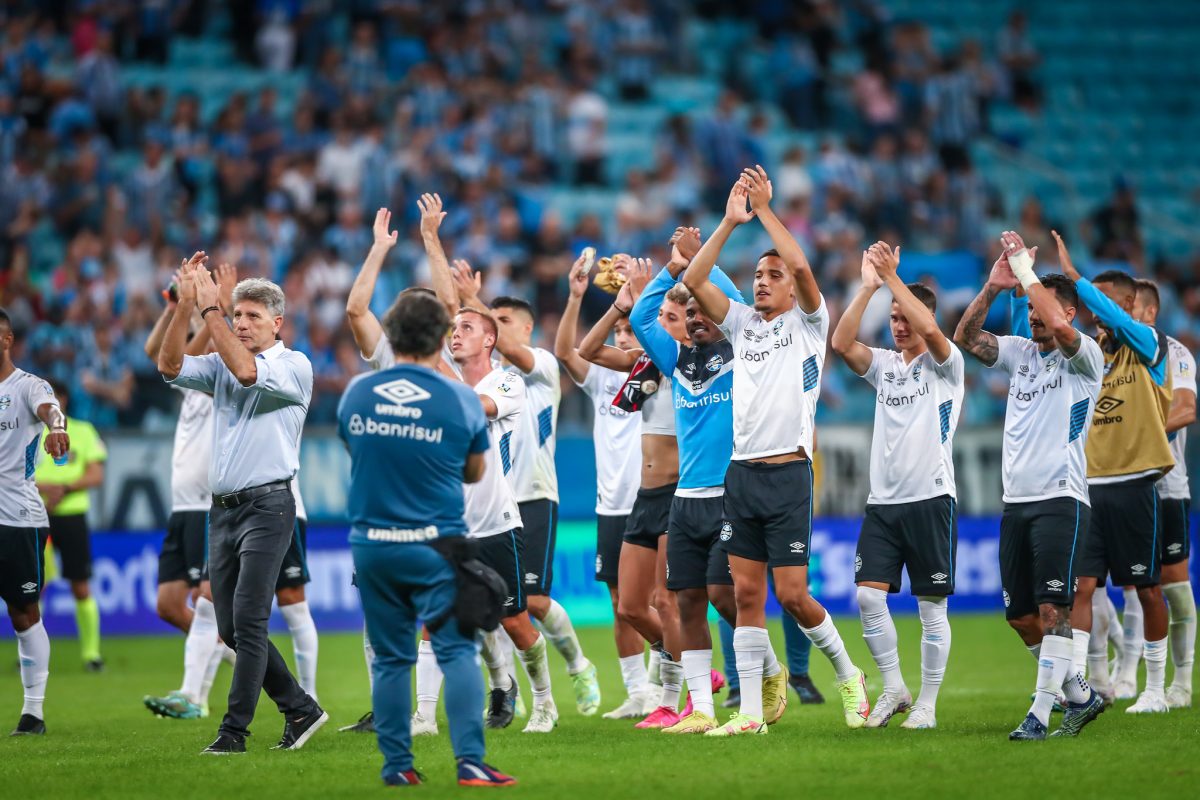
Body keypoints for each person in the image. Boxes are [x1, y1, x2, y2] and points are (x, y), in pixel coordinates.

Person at [348, 202, 557, 735]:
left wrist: (430, 243)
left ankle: (545, 700)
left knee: (512, 621)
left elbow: (467, 405)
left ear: (490, 339)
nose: (457, 333)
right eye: (451, 328)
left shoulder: (505, 384)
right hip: (441, 519)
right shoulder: (422, 372)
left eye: (467, 327)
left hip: (494, 521)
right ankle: (419, 717)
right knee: (435, 620)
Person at [683, 168, 869, 736]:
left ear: (792, 288)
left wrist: (764, 211)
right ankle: (750, 716)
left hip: (789, 474)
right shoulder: (742, 325)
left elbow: (807, 267)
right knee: (744, 594)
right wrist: (729, 222)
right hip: (741, 476)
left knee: (791, 594)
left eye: (773, 275)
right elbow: (694, 279)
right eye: (758, 275)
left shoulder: (811, 325)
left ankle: (848, 675)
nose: (762, 282)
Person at [337, 289, 515, 787]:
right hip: (436, 544)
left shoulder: (356, 393)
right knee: (456, 651)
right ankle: (470, 763)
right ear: (441, 337)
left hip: (373, 545)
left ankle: (397, 767)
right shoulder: (458, 398)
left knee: (393, 657)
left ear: (390, 335)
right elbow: (477, 470)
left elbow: (356, 447)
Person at [158, 253, 324, 754]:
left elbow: (248, 372)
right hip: (223, 510)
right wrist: (185, 307)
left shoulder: (294, 365)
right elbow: (168, 365)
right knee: (229, 627)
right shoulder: (222, 360)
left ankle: (233, 732)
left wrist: (211, 313)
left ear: (278, 323)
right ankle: (301, 708)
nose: (242, 323)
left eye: (252, 316)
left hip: (270, 506)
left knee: (249, 620)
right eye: (238, 316)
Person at [631, 229, 794, 734]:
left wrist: (695, 261)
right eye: (692, 316)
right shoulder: (677, 362)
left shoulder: (743, 350)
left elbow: (739, 301)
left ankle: (770, 671)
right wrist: (671, 268)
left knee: (727, 598)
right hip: (686, 499)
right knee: (687, 602)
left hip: (731, 495)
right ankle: (701, 707)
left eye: (704, 312)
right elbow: (640, 317)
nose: (699, 320)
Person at [953, 230, 1105, 740]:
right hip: (1016, 502)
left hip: (1062, 496)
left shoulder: (1084, 358)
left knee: (1052, 609)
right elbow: (966, 339)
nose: (1035, 314)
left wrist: (1026, 272)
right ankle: (1080, 695)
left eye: (1044, 308)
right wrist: (996, 287)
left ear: (1068, 314)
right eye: (1033, 309)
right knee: (1021, 617)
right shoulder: (1020, 352)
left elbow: (1060, 324)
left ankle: (1040, 714)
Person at [449, 260, 602, 715]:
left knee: (532, 600)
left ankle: (579, 666)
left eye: (506, 322)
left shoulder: (541, 368)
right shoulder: (481, 377)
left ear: (527, 329)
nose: (497, 331)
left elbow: (508, 347)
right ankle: (507, 687)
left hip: (534, 494)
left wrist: (472, 303)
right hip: (486, 502)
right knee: (487, 608)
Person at [831, 242, 963, 730]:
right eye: (894, 317)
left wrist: (892, 279)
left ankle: (927, 704)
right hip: (883, 504)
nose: (900, 324)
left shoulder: (947, 366)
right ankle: (894, 687)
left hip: (931, 497)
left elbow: (930, 330)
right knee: (868, 597)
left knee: (932, 609)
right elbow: (842, 345)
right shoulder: (886, 365)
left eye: (906, 316)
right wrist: (869, 287)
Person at [1050, 236, 1176, 715]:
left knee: (1145, 588)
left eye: (1100, 301)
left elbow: (1120, 322)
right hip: (1089, 486)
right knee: (1081, 589)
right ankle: (1079, 690)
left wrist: (1078, 279)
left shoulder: (1149, 344)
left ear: (1126, 303)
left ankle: (1156, 689)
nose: (1092, 311)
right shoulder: (1090, 352)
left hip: (1135, 481)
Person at [576, 260, 686, 728]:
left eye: (671, 317)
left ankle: (674, 697)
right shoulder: (645, 364)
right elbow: (587, 349)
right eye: (660, 317)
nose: (662, 324)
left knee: (667, 601)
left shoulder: (690, 364)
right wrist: (621, 303)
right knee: (628, 606)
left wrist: (652, 290)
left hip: (681, 493)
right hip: (644, 496)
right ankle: (694, 671)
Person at [553, 249, 649, 718]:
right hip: (610, 503)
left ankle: (670, 682)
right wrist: (576, 297)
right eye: (617, 331)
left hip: (653, 496)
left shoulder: (659, 373)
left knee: (655, 601)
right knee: (620, 601)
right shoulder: (599, 381)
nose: (621, 337)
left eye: (629, 331)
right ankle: (638, 692)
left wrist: (639, 296)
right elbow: (564, 353)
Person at [0, 306, 70, 736]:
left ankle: (34, 712)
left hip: (18, 517)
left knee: (24, 611)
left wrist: (56, 428)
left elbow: (51, 410)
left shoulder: (28, 386)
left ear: (6, 340)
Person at [1130, 280, 1195, 708]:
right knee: (1115, 586)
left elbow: (1187, 408)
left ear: (1150, 313)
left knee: (1172, 585)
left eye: (1126, 307)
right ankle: (1108, 675)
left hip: (1166, 486)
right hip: (1118, 488)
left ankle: (1182, 683)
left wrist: (1136, 436)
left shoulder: (1175, 353)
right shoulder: (1112, 353)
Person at [34, 380, 107, 671]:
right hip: (37, 515)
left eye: (55, 397)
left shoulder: (84, 431)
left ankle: (92, 654)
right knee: (33, 587)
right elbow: (11, 472)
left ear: (63, 399)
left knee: (80, 586)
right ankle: (32, 655)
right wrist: (44, 486)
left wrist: (64, 488)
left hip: (73, 516)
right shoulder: (29, 432)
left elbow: (96, 475)